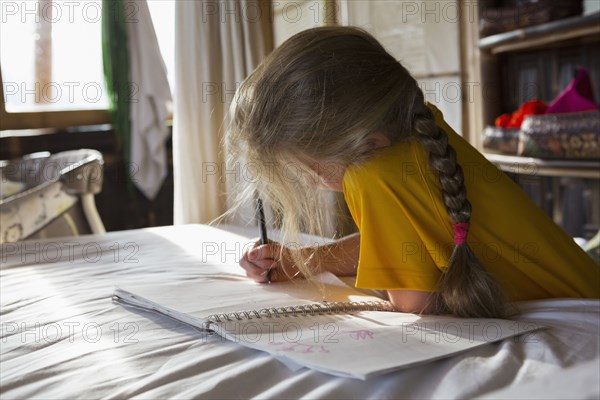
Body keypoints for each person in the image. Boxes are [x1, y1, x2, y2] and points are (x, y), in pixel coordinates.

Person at [225, 26, 599, 318]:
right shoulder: (420, 130)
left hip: (582, 312)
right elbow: (402, 241)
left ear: (363, 142)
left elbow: (414, 308)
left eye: (303, 167)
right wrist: (303, 260)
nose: (306, 180)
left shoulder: (369, 174)